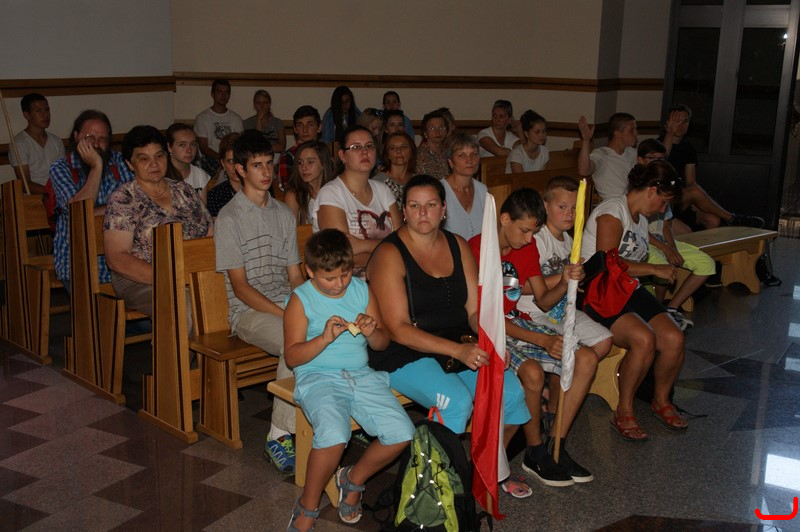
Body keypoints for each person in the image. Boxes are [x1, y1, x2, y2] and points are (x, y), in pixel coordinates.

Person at [367, 175, 533, 498]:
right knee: (456, 401)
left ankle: (486, 469)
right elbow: (398, 328)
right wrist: (458, 351)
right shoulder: (389, 254)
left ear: (444, 209)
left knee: (511, 393)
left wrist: (491, 343)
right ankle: (432, 491)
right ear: (404, 211)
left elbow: (474, 311)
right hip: (405, 350)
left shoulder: (458, 245)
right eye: (414, 206)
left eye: (431, 205)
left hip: (457, 342)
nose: (423, 213)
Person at [469, 188, 603, 486]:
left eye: (533, 232)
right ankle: (535, 450)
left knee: (586, 358)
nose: (530, 239)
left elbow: (543, 300)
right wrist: (540, 340)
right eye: (525, 230)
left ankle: (556, 445)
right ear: (504, 219)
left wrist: (565, 280)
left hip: (516, 321)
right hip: (488, 329)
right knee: (532, 373)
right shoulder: (476, 250)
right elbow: (481, 318)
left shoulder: (526, 249)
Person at [284, 229, 414, 530]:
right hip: (317, 376)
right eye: (329, 278)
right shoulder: (301, 299)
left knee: (402, 432)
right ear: (310, 271)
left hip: (360, 374)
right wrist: (324, 338)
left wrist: (372, 331)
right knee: (334, 433)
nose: (340, 284)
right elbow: (292, 357)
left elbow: (382, 343)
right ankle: (308, 504)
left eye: (344, 274)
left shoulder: (361, 289)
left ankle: (352, 479)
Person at [214, 130, 305, 473]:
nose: (266, 172)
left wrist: (308, 304)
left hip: (284, 302)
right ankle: (279, 435)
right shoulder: (229, 218)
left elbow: (295, 275)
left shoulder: (283, 213)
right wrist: (286, 313)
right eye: (257, 165)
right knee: (293, 340)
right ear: (239, 169)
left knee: (334, 328)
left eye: (269, 163)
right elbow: (240, 288)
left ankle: (333, 414)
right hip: (248, 312)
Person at [581, 160, 688, 441]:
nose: (663, 209)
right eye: (663, 201)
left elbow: (640, 244)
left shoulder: (639, 217)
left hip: (626, 288)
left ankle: (661, 400)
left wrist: (663, 249)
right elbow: (607, 262)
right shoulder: (611, 212)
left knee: (674, 338)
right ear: (651, 190)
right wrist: (654, 268)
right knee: (644, 338)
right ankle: (624, 410)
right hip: (597, 290)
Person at [516, 175, 614, 439]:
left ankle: (558, 395)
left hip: (559, 311)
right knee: (573, 352)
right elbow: (521, 286)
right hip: (534, 313)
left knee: (604, 340)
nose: (569, 214)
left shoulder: (570, 241)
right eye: (562, 207)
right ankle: (554, 409)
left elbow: (567, 282)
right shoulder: (536, 239)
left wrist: (577, 280)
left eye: (574, 208)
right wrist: (563, 278)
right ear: (546, 206)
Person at [104, 126, 212, 317]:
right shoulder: (124, 199)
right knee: (189, 307)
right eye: (144, 158)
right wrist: (171, 276)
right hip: (142, 279)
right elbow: (117, 258)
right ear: (130, 164)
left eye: (159, 156)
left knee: (230, 294)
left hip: (191, 271)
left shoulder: (184, 191)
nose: (154, 164)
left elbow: (209, 233)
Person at [49, 110, 134, 288]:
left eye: (102, 139)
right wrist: (96, 166)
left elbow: (135, 203)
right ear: (76, 136)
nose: (96, 144)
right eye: (89, 137)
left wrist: (97, 210)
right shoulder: (61, 168)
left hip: (123, 261)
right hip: (77, 265)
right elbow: (78, 212)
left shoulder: (121, 162)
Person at [638, 139, 714, 330]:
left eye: (661, 158)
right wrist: (666, 250)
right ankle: (657, 312)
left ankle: (671, 307)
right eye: (653, 158)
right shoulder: (639, 189)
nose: (658, 162)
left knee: (706, 263)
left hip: (662, 241)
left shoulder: (665, 187)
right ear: (641, 160)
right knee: (664, 265)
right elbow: (639, 230)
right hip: (645, 241)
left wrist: (672, 247)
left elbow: (666, 225)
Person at [314, 125, 401, 277]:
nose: (364, 151)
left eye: (369, 146)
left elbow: (403, 243)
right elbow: (342, 256)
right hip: (344, 282)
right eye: (356, 147)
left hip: (388, 277)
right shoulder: (331, 194)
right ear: (342, 156)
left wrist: (362, 245)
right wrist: (390, 251)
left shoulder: (383, 190)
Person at [660, 103, 764, 232]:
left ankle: (712, 242)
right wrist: (670, 133)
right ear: (668, 122)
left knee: (713, 220)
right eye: (677, 121)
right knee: (694, 192)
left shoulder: (688, 148)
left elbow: (691, 182)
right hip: (664, 198)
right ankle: (732, 218)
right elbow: (661, 160)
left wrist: (695, 200)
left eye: (685, 121)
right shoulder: (657, 145)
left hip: (681, 199)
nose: (680, 125)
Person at [9, 93, 64, 194]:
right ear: (27, 115)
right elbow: (24, 185)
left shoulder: (57, 141)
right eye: (38, 110)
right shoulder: (19, 143)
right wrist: (53, 194)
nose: (45, 114)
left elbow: (63, 175)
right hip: (34, 198)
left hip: (58, 195)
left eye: (47, 110)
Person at [578, 112, 638, 200]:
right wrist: (586, 140)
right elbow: (584, 171)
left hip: (632, 201)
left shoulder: (633, 153)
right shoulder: (601, 154)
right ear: (617, 133)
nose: (636, 133)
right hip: (612, 203)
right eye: (632, 130)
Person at [441, 134, 487, 240]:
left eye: (474, 154)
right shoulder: (439, 191)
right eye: (462, 155)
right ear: (451, 162)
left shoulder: (482, 190)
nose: (469, 160)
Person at [194, 79, 244, 176]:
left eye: (226, 92)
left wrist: (229, 160)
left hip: (232, 158)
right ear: (212, 94)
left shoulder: (235, 118)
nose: (223, 95)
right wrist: (221, 159)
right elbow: (203, 148)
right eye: (219, 92)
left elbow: (239, 144)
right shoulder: (202, 118)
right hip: (211, 158)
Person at [284, 140, 334, 224]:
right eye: (300, 163)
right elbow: (291, 231)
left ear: (323, 163)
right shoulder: (294, 195)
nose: (304, 168)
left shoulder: (335, 191)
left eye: (310, 162)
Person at [277, 105, 322, 192]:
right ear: (295, 129)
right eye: (300, 125)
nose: (305, 130)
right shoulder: (288, 156)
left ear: (319, 127)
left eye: (310, 125)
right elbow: (286, 187)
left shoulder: (325, 154)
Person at [165, 123, 211, 204]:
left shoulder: (200, 175)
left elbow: (203, 209)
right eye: (182, 145)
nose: (189, 150)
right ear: (169, 147)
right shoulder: (161, 175)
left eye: (193, 144)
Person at [373, 131, 416, 209]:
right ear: (388, 154)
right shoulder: (378, 182)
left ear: (411, 152)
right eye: (393, 148)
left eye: (403, 147)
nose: (398, 151)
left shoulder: (417, 181)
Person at [205, 133, 241, 217]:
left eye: (239, 160)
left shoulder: (261, 189)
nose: (235, 167)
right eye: (230, 161)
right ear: (223, 164)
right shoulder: (215, 196)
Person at [243, 89, 286, 153]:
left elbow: (281, 147)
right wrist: (258, 120)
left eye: (265, 102)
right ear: (254, 105)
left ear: (269, 104)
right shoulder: (248, 123)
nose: (262, 106)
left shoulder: (277, 122)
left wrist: (262, 148)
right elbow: (253, 146)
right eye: (258, 103)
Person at [415, 110, 450, 180]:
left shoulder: (449, 153)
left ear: (446, 131)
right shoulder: (419, 156)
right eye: (432, 128)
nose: (437, 132)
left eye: (441, 128)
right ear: (425, 133)